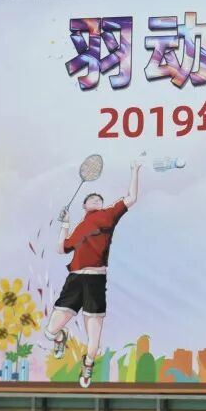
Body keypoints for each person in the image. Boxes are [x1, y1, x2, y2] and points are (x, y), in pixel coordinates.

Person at [45, 159, 141, 388]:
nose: (96, 200)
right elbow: (61, 249)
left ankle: (87, 365)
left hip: (96, 280)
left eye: (99, 199)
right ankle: (60, 337)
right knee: (50, 331)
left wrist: (134, 170)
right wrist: (65, 224)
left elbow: (132, 197)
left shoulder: (109, 215)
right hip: (75, 279)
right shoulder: (80, 227)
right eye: (92, 199)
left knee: (94, 339)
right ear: (84, 205)